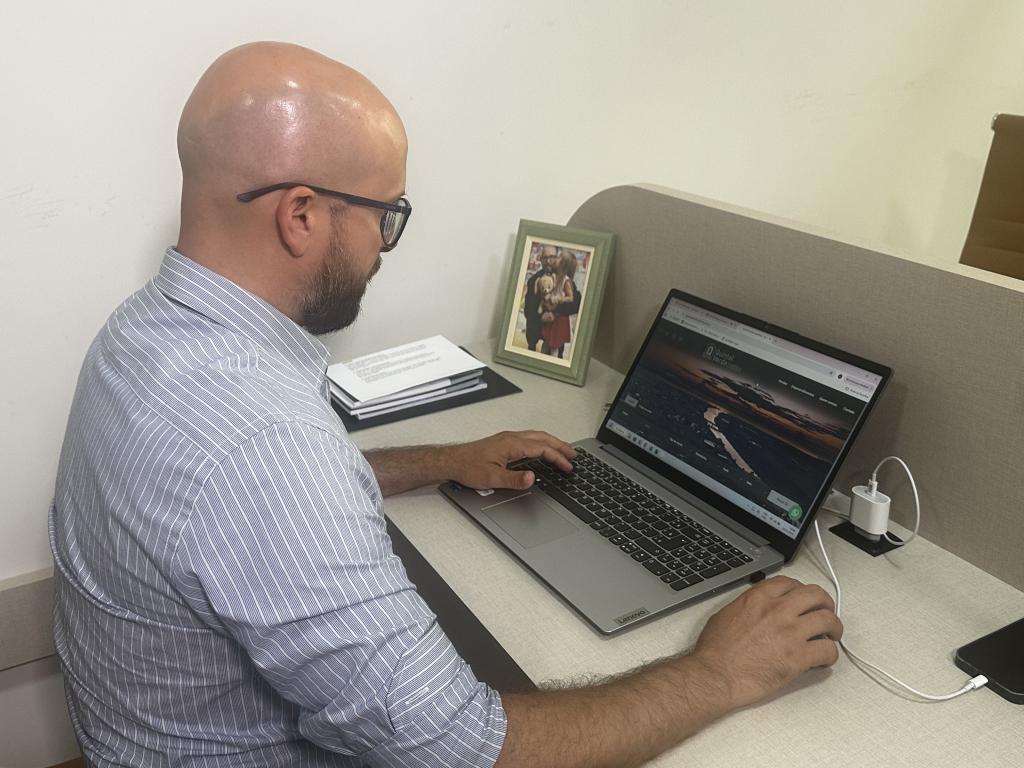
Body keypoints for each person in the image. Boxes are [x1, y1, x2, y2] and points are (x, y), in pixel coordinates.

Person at [50, 42, 842, 768]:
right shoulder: (268, 445)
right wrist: (716, 672)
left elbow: (237, 509)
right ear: (301, 215)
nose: (383, 246)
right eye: (386, 214)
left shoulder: (141, 335)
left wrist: (443, 461)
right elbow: (464, 750)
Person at [522, 244, 580, 353]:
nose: (548, 261)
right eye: (545, 257)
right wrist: (541, 316)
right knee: (532, 324)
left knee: (554, 351)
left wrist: (555, 310)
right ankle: (531, 349)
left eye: (552, 257)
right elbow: (528, 309)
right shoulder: (534, 280)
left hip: (557, 323)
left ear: (557, 258)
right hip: (539, 322)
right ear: (540, 259)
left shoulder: (564, 278)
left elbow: (576, 303)